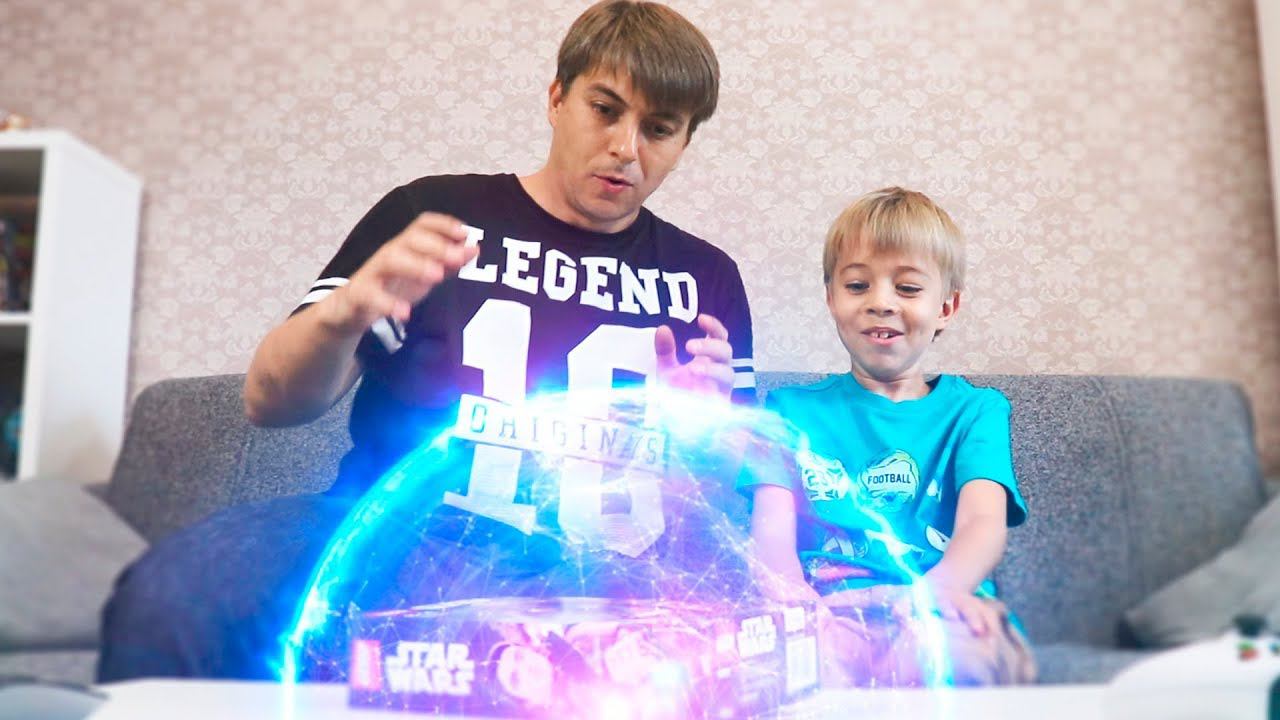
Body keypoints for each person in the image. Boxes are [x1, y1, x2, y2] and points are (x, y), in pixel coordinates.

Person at [98, 0, 754, 682]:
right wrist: (344, 312)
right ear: (557, 98)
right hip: (389, 536)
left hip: (602, 568)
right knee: (174, 593)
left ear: (684, 143)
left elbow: (730, 498)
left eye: (659, 129)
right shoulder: (435, 216)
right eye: (605, 109)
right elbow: (270, 402)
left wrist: (705, 429)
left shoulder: (705, 278)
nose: (626, 147)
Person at [739, 187, 1036, 687]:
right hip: (828, 611)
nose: (880, 303)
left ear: (947, 306)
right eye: (858, 285)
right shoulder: (788, 411)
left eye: (908, 288)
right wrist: (796, 607)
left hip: (940, 606)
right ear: (831, 298)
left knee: (961, 659)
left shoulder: (977, 411)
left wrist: (933, 597)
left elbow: (983, 523)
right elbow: (770, 532)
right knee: (779, 669)